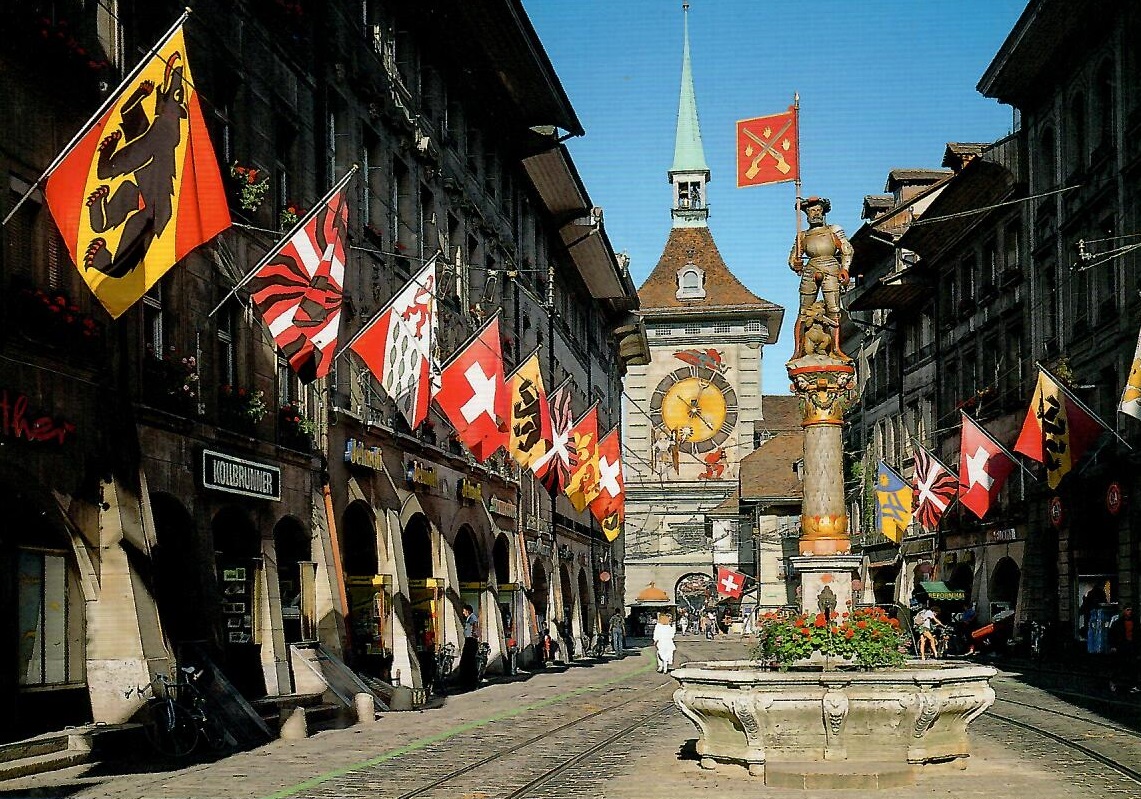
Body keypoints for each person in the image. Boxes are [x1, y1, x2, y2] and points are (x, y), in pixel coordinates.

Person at [788, 196, 853, 360]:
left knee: (834, 310)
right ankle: (798, 350)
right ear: (807, 214)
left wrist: (844, 269)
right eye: (811, 211)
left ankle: (836, 349)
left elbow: (847, 250)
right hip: (811, 268)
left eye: (818, 210)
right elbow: (792, 257)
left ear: (823, 212)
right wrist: (795, 263)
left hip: (831, 266)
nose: (815, 213)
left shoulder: (833, 230)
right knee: (803, 312)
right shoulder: (802, 236)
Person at [1108, 605, 1137, 693]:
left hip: (1131, 646)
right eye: (1128, 610)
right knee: (1119, 666)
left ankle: (1133, 685)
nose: (1130, 612)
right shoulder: (1118, 623)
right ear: (1124, 611)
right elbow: (1111, 635)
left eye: (1131, 610)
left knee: (1133, 666)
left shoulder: (1134, 622)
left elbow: (1137, 635)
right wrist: (1113, 646)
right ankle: (1113, 682)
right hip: (1121, 647)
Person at [458, 603, 480, 688]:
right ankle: (468, 682)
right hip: (469, 640)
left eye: (464, 611)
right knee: (468, 663)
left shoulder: (472, 618)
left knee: (468, 662)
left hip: (471, 641)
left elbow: (474, 630)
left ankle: (470, 683)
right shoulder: (470, 618)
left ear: (468, 611)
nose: (463, 613)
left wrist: (473, 636)